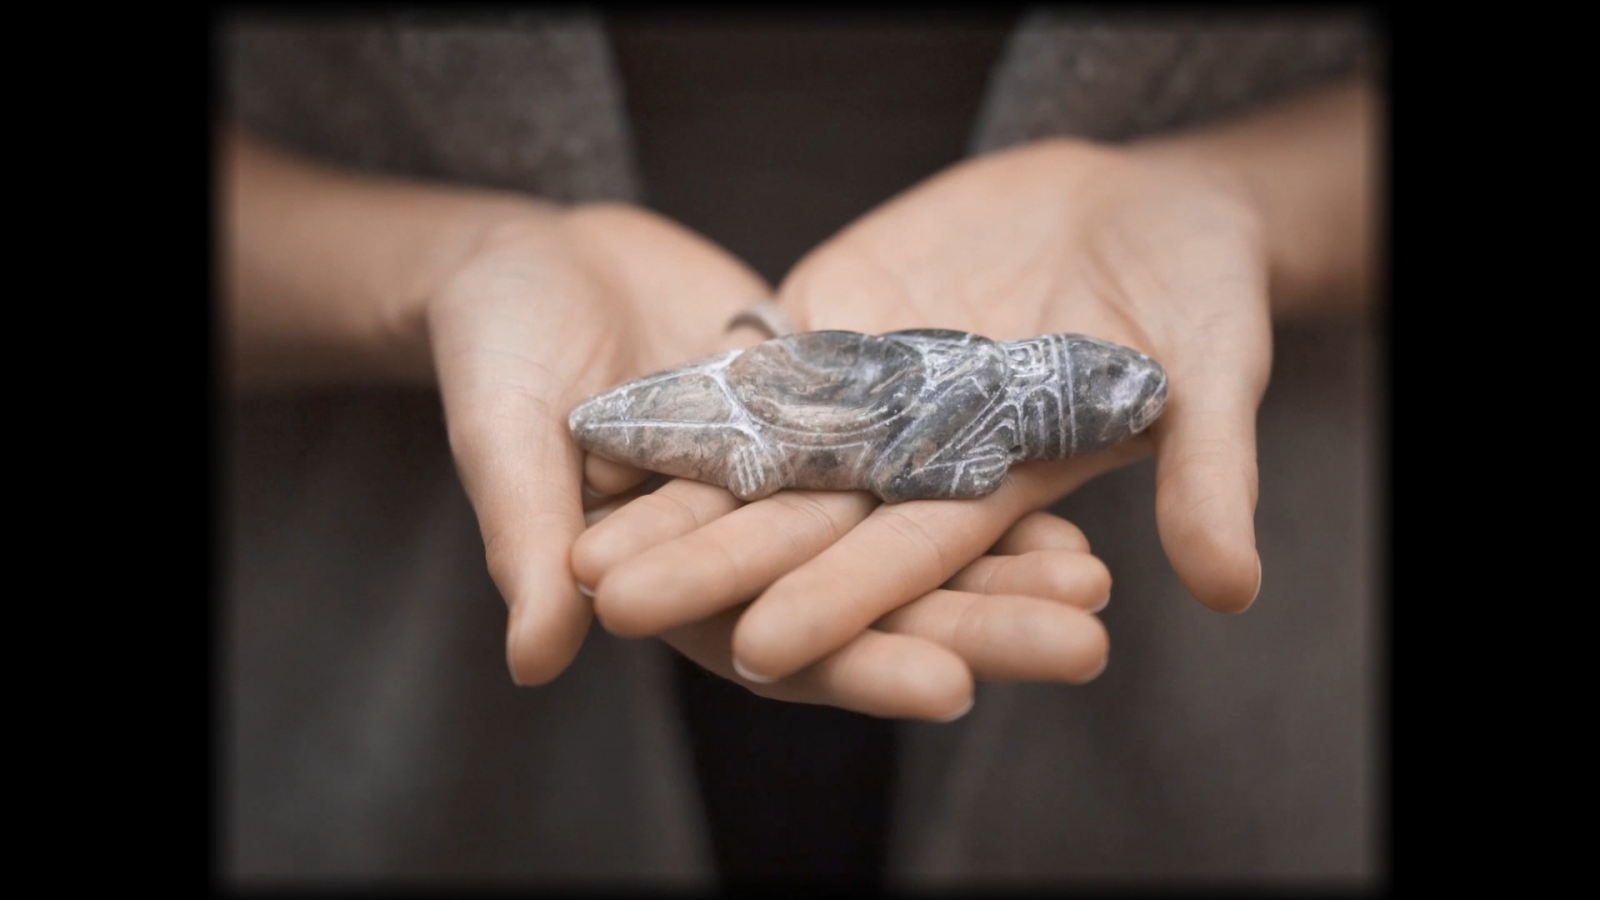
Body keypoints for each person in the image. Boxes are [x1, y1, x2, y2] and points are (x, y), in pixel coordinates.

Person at [222, 10, 1380, 883]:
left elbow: (949, 429)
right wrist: (436, 267)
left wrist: (1238, 195)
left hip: (1229, 729)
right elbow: (930, 427)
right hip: (371, 657)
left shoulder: (1025, 399)